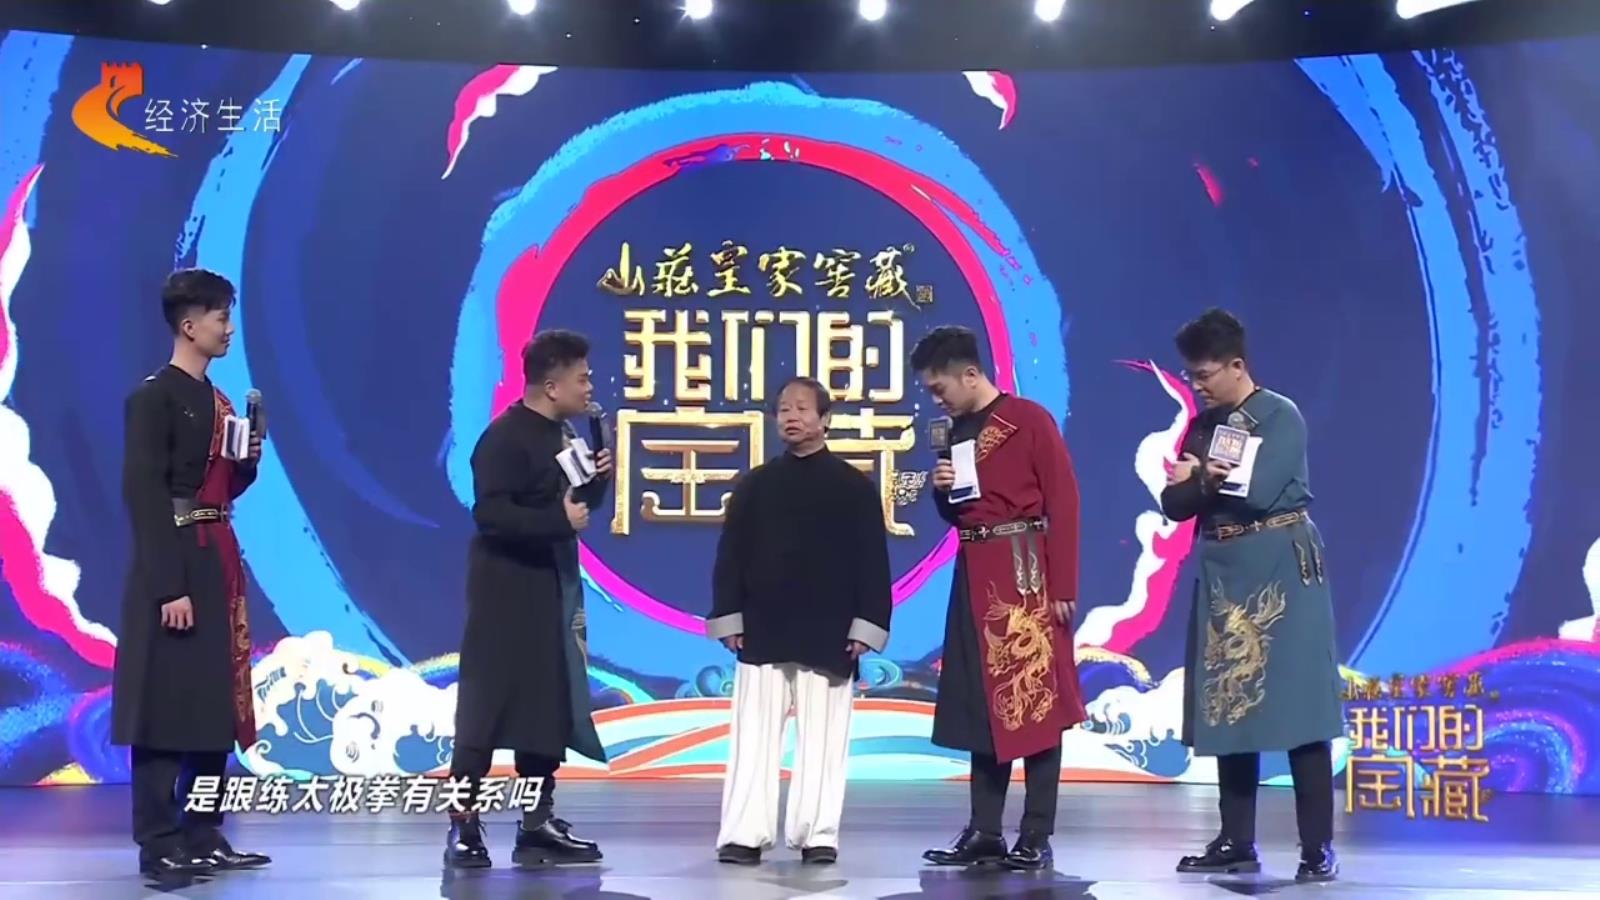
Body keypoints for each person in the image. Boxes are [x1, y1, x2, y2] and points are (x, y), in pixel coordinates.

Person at [1159, 308, 1341, 883]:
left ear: (1236, 366)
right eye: (1191, 375)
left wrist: (1202, 480)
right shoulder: (1201, 426)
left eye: (1205, 374)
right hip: (1225, 572)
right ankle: (1236, 840)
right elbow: (1174, 504)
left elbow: (1257, 492)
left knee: (1299, 709)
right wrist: (1199, 482)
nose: (1197, 385)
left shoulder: (1278, 417)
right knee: (1230, 704)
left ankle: (1317, 846)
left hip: (1279, 569)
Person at [110, 269, 272, 877]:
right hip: (175, 557)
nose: (228, 329)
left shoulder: (220, 401)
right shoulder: (153, 398)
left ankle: (204, 831)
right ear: (188, 324)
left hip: (216, 555)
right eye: (220, 317)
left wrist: (246, 463)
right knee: (165, 704)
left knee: (212, 704)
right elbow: (145, 494)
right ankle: (159, 840)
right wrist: (169, 586)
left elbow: (222, 489)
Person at [912, 326, 1087, 872]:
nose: (937, 400)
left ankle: (1036, 832)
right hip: (974, 569)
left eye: (940, 388)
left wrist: (1063, 586)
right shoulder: (956, 433)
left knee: (1034, 701)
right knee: (981, 704)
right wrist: (942, 493)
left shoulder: (1028, 420)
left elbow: (1065, 502)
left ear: (970, 374)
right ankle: (984, 830)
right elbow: (961, 512)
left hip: (1025, 571)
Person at [707, 376, 893, 867]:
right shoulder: (755, 485)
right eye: (784, 409)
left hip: (830, 630)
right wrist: (728, 618)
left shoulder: (853, 487)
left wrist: (867, 625)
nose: (791, 417)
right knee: (753, 737)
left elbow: (872, 562)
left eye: (802, 408)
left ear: (825, 419)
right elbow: (730, 557)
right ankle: (744, 834)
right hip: (763, 626)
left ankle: (818, 835)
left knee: (824, 740)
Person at [445, 330, 613, 868]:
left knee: (545, 705)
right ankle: (463, 824)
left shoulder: (563, 435)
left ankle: (536, 823)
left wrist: (599, 480)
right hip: (505, 590)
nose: (590, 387)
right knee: (485, 708)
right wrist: (555, 520)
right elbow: (491, 514)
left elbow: (576, 505)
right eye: (582, 378)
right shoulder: (504, 438)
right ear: (551, 384)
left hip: (551, 586)